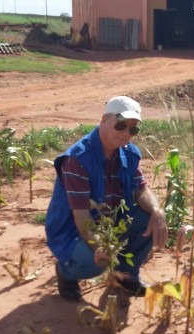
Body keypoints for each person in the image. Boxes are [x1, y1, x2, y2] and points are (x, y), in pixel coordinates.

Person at [45, 96, 168, 302]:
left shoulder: (128, 153)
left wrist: (157, 210)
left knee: (150, 217)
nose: (126, 134)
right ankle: (66, 273)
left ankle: (126, 278)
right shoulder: (77, 159)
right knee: (92, 263)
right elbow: (82, 216)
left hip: (110, 222)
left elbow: (140, 189)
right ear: (104, 120)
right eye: (121, 126)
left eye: (133, 129)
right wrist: (100, 246)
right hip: (74, 230)